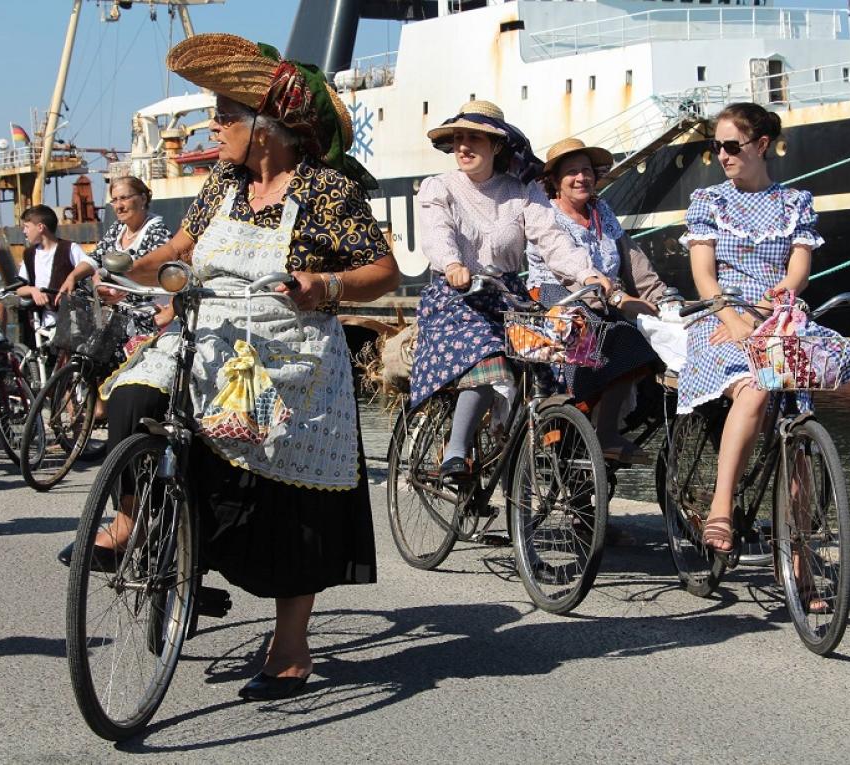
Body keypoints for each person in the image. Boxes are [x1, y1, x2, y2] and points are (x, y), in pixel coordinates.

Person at [56, 33, 399, 700]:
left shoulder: (326, 190)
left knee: (288, 500)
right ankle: (133, 520)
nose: (211, 126)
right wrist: (121, 267)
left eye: (222, 115)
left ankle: (291, 647)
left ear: (264, 127)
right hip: (210, 339)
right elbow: (179, 250)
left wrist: (324, 287)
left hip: (287, 359)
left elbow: (385, 271)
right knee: (131, 399)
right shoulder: (221, 183)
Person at [678, 102, 850, 559]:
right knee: (759, 388)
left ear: (761, 145)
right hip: (721, 318)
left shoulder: (795, 202)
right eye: (715, 146)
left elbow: (797, 271)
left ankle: (799, 559)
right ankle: (722, 504)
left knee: (798, 425)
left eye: (730, 145)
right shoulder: (708, 201)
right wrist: (735, 321)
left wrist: (765, 314)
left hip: (776, 316)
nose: (721, 155)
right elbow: (704, 277)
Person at [412, 100, 611, 481]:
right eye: (458, 139)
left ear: (497, 146)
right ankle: (454, 452)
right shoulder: (440, 188)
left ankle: (528, 462)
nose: (464, 147)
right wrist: (453, 265)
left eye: (474, 138)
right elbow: (438, 232)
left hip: (505, 295)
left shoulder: (522, 192)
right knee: (490, 359)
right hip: (456, 297)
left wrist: (586, 274)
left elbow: (551, 239)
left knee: (547, 369)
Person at [526, 137, 668, 464]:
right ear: (555, 182)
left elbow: (633, 260)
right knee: (600, 337)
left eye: (587, 170)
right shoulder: (546, 214)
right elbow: (565, 264)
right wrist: (613, 295)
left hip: (603, 298)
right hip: (558, 296)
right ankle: (592, 435)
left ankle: (605, 435)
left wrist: (663, 299)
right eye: (571, 172)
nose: (581, 178)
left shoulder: (601, 211)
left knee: (643, 341)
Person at [58, 175, 172, 300]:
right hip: (119, 314)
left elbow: (163, 271)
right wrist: (72, 277)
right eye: (114, 200)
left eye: (124, 198)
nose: (118, 206)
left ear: (143, 199)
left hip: (148, 310)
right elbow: (95, 258)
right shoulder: (118, 228)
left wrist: (108, 279)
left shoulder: (157, 232)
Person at [15, 205, 84, 339]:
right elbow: (19, 289)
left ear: (40, 227)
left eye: (27, 227)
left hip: (71, 320)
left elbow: (89, 265)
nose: (24, 231)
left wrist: (72, 279)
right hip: (44, 323)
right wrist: (33, 290)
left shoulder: (70, 248)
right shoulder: (29, 254)